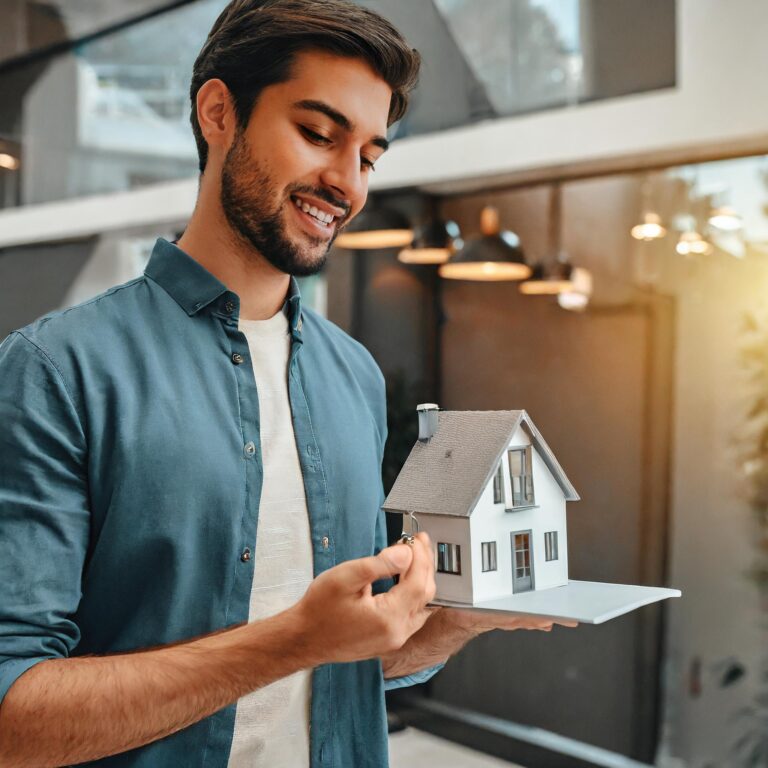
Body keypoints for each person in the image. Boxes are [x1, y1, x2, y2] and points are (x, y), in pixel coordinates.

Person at [0, 2, 570, 766]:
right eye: (317, 133)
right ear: (218, 113)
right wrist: (288, 641)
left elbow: (342, 664)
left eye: (369, 156)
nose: (345, 183)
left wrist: (453, 624)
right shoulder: (57, 371)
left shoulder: (354, 378)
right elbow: (13, 715)